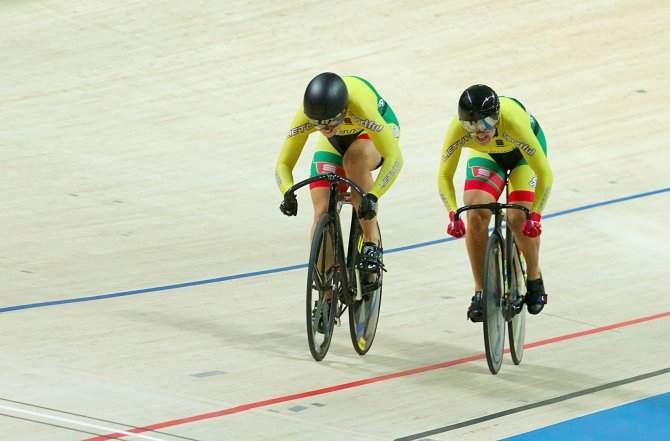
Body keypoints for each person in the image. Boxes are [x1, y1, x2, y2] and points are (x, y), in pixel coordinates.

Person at [437, 84, 553, 321]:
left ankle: (534, 277)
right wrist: (452, 214)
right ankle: (480, 290)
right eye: (471, 125)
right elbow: (444, 176)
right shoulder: (457, 130)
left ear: (497, 116)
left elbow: (545, 175)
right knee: (475, 212)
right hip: (488, 155)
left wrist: (537, 217)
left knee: (518, 217)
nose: (479, 132)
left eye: (486, 123)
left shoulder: (514, 124)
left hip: (523, 157)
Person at [276, 72, 403, 272]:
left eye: (333, 122)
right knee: (322, 210)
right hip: (335, 143)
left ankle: (371, 242)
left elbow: (395, 159)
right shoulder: (308, 116)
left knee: (353, 160)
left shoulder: (361, 106)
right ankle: (326, 295)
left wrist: (373, 195)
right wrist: (287, 191)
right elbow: (283, 164)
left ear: (344, 110)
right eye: (320, 125)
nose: (326, 129)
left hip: (372, 131)